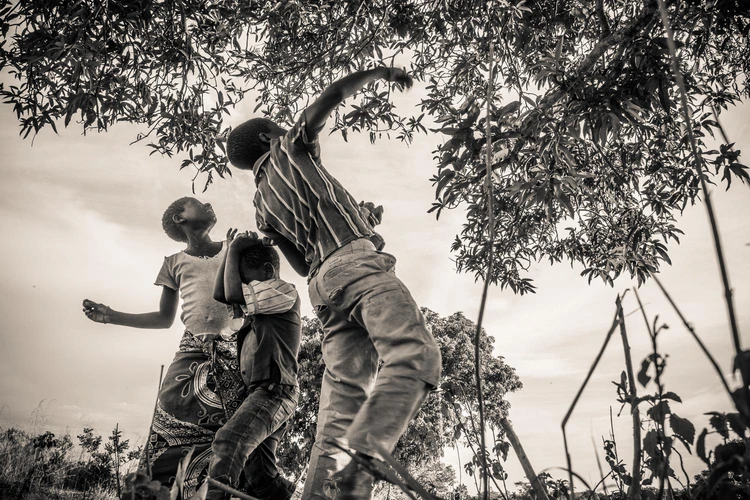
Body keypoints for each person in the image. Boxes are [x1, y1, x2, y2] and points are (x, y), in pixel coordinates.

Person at [224, 67, 443, 499]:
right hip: (357, 268)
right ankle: (363, 464)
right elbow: (331, 96)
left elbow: (303, 265)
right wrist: (381, 71)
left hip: (324, 290)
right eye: (279, 127)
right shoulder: (290, 148)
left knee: (341, 407)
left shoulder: (261, 206)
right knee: (414, 355)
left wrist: (361, 222)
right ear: (271, 138)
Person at [82, 197, 245, 497]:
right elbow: (163, 318)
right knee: (167, 432)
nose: (208, 202)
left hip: (236, 356)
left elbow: (247, 301)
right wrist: (110, 315)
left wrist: (236, 254)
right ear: (179, 220)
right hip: (189, 360)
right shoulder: (173, 263)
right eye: (196, 203)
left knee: (233, 443)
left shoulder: (233, 247)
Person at [206, 230, 301, 500]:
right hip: (262, 393)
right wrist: (230, 253)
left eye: (250, 283)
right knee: (260, 477)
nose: (246, 290)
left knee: (228, 442)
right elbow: (222, 293)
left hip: (275, 391)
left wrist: (235, 248)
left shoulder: (284, 291)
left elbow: (232, 293)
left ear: (269, 271)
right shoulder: (258, 307)